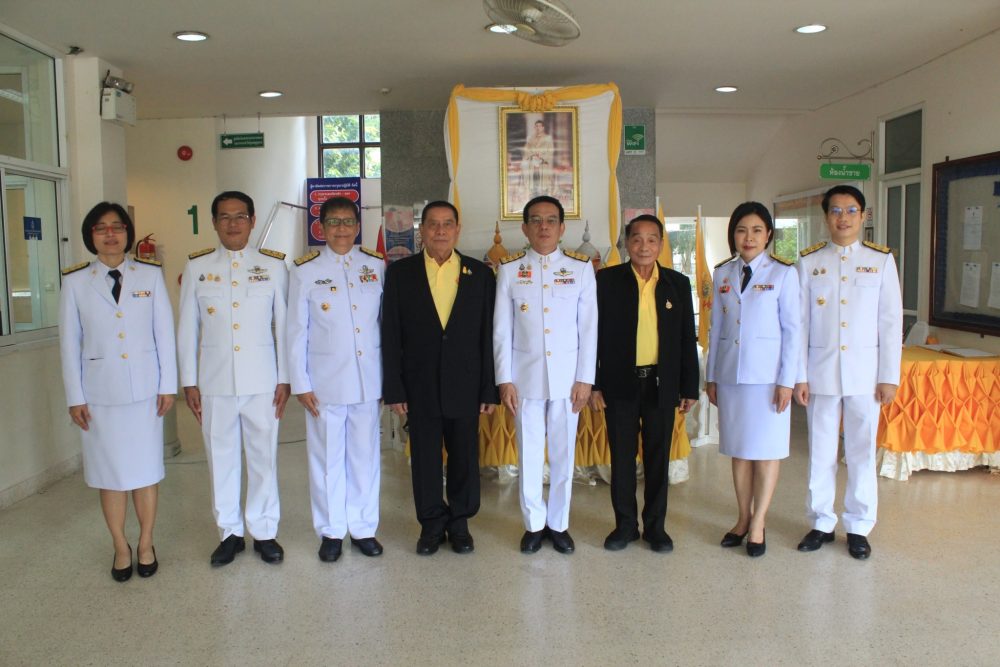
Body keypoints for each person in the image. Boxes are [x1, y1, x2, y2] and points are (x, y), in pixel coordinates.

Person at [59, 202, 176, 581]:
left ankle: (146, 543)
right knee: (109, 475)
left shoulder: (149, 275)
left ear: (127, 232)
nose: (110, 234)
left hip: (145, 393)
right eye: (100, 228)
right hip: (99, 396)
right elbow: (69, 344)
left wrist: (168, 385)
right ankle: (120, 545)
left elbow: (164, 334)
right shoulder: (76, 282)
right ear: (90, 236)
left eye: (117, 227)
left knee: (145, 472)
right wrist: (75, 397)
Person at [177, 191, 290, 566]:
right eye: (224, 217)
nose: (233, 223)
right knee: (220, 458)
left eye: (240, 216)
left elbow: (285, 327)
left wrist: (286, 378)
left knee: (263, 458)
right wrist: (189, 381)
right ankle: (229, 533)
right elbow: (187, 328)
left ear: (253, 221)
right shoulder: (197, 267)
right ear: (214, 223)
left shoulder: (273, 266)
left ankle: (264, 531)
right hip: (215, 382)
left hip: (263, 382)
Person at [382, 201, 499, 556]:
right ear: (422, 230)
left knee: (465, 458)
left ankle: (460, 523)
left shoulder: (480, 275)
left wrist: (489, 389)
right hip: (419, 385)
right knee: (425, 460)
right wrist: (394, 388)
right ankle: (432, 524)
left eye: (448, 224)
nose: (440, 230)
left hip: (466, 384)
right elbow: (391, 334)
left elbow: (489, 336)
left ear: (458, 229)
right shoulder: (401, 273)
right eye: (433, 224)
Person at [793, 185, 902, 560]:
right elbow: (800, 324)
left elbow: (890, 323)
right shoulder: (809, 261)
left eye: (851, 210)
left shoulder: (881, 260)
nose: (843, 217)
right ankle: (821, 522)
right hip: (820, 373)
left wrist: (889, 376)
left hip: (865, 376)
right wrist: (799, 375)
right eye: (836, 210)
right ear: (826, 216)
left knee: (861, 452)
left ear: (864, 215)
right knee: (821, 453)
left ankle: (858, 526)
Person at [494, 195, 597, 554]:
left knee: (564, 454)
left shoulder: (580, 268)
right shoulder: (509, 270)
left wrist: (585, 379)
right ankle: (534, 525)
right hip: (525, 378)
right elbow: (501, 330)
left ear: (562, 228)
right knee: (529, 453)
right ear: (524, 228)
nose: (543, 226)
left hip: (568, 380)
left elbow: (589, 329)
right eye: (535, 220)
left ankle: (559, 524)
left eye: (551, 220)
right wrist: (504, 379)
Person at [591, 214, 699, 553]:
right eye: (636, 239)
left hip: (661, 385)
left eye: (652, 239)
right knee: (622, 459)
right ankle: (624, 526)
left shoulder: (676, 283)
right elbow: (591, 336)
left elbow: (687, 338)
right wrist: (594, 384)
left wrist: (689, 387)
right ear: (627, 243)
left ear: (661, 244)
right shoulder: (606, 281)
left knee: (657, 459)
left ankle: (655, 528)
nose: (644, 246)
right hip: (619, 384)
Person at [287, 197, 386, 561]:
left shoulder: (375, 266)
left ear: (357, 226)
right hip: (324, 383)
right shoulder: (305, 270)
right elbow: (296, 331)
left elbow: (384, 325)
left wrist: (388, 380)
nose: (341, 229)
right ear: (321, 228)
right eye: (333, 222)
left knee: (364, 458)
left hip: (368, 380)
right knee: (326, 460)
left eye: (347, 222)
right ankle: (331, 530)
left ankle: (363, 528)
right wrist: (301, 383)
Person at [705, 203, 799, 557]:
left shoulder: (783, 273)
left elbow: (793, 332)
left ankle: (759, 522)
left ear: (769, 235)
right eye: (742, 230)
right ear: (733, 235)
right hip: (731, 376)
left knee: (767, 452)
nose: (749, 237)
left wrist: (787, 381)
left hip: (768, 380)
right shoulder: (723, 273)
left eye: (757, 230)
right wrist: (711, 376)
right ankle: (742, 517)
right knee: (740, 452)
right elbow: (715, 329)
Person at [522, 119, 555, 198]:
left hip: (543, 166)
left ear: (543, 127)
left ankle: (544, 199)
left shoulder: (548, 138)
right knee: (533, 186)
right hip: (533, 166)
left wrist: (541, 156)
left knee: (544, 187)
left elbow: (550, 151)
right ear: (534, 127)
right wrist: (533, 154)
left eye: (540, 126)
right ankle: (533, 199)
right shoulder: (530, 138)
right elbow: (526, 150)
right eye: (536, 126)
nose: (538, 128)